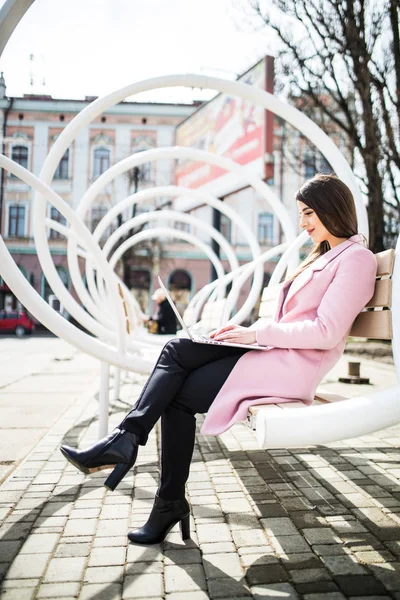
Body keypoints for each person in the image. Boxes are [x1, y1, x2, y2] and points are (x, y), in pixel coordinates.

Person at [60, 174, 377, 545]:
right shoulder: (324, 255)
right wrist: (241, 330)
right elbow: (287, 321)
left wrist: (256, 335)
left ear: (331, 209)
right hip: (271, 353)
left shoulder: (356, 259)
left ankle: (144, 468)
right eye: (302, 214)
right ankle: (133, 450)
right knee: (177, 349)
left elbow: (325, 331)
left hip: (290, 368)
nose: (303, 223)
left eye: (309, 213)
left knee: (176, 391)